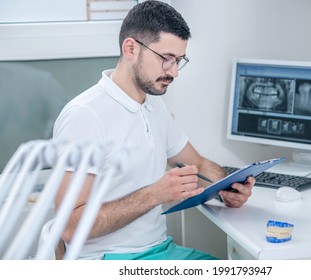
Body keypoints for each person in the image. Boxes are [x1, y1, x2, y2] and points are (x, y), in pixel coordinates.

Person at [53, 0, 254, 260]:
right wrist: (155, 194)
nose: (174, 72)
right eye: (166, 59)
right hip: (106, 260)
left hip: (160, 250)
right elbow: (70, 226)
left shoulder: (154, 105)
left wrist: (229, 187)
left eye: (179, 61)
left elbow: (200, 165)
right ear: (131, 48)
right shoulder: (84, 116)